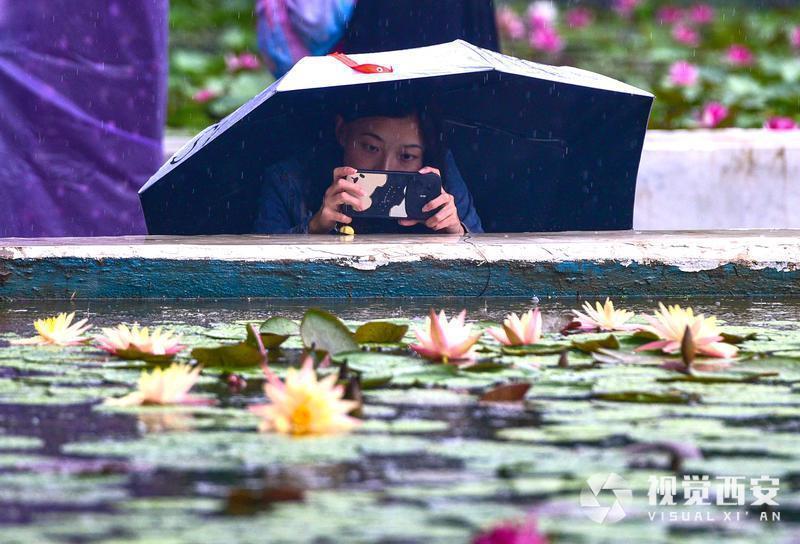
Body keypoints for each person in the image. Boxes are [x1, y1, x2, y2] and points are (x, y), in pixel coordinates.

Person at [253, 101, 483, 234]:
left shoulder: (441, 177)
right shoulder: (288, 180)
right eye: (371, 147)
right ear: (342, 132)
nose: (385, 167)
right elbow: (256, 274)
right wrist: (315, 227)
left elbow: (487, 264)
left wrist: (454, 230)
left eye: (406, 156)